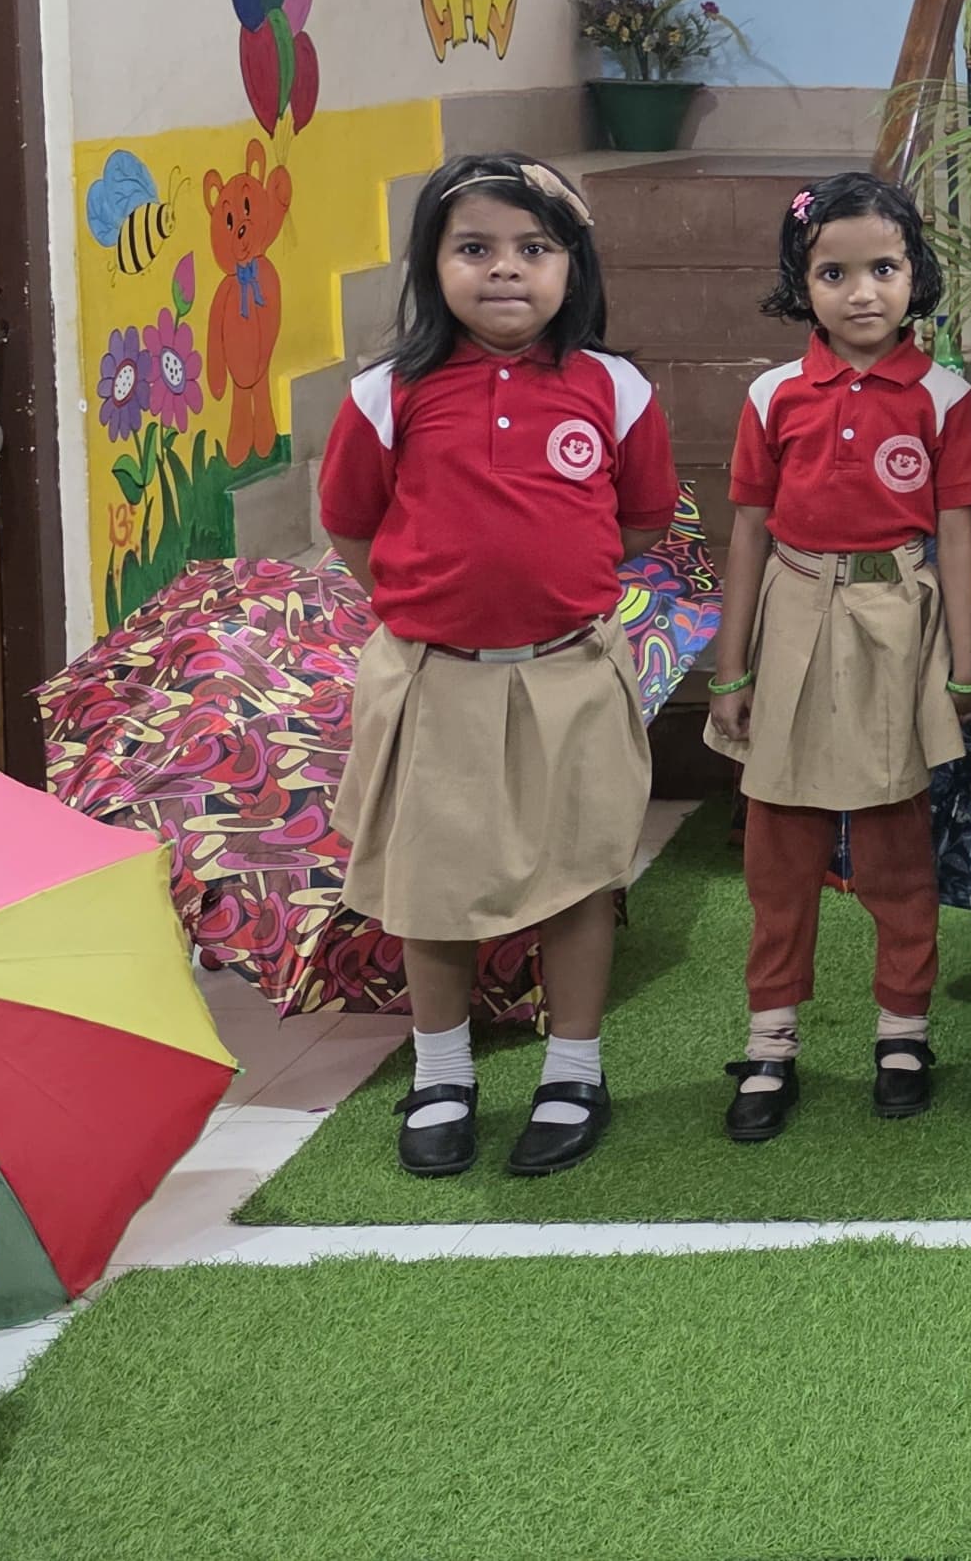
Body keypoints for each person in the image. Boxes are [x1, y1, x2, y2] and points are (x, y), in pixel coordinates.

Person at [319, 155, 680, 1182]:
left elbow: (641, 520)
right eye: (474, 248)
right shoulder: (386, 394)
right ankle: (442, 1075)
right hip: (435, 677)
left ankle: (574, 1071)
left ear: (575, 267)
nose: (505, 269)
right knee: (432, 884)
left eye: (535, 248)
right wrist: (436, 605)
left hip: (570, 673)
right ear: (432, 264)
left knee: (578, 877)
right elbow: (352, 525)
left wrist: (543, 585)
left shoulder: (616, 388)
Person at [704, 173, 971, 1141]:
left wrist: (964, 666)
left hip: (897, 622)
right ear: (801, 282)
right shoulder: (772, 394)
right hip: (792, 613)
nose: (862, 292)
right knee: (778, 845)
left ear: (915, 274)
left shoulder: (945, 399)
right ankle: (771, 1040)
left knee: (894, 842)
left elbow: (959, 538)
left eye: (883, 268)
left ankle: (903, 1031)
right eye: (834, 272)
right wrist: (732, 668)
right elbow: (749, 533)